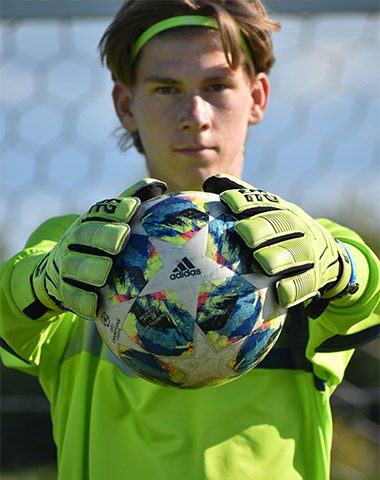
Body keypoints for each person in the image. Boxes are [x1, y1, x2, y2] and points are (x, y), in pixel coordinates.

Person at [1, 0, 379, 478]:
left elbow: (370, 290)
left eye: (217, 85)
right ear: (125, 105)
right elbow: (7, 308)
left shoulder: (300, 247)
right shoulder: (74, 246)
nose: (195, 114)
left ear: (257, 97)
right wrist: (42, 281)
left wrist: (339, 265)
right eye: (166, 88)